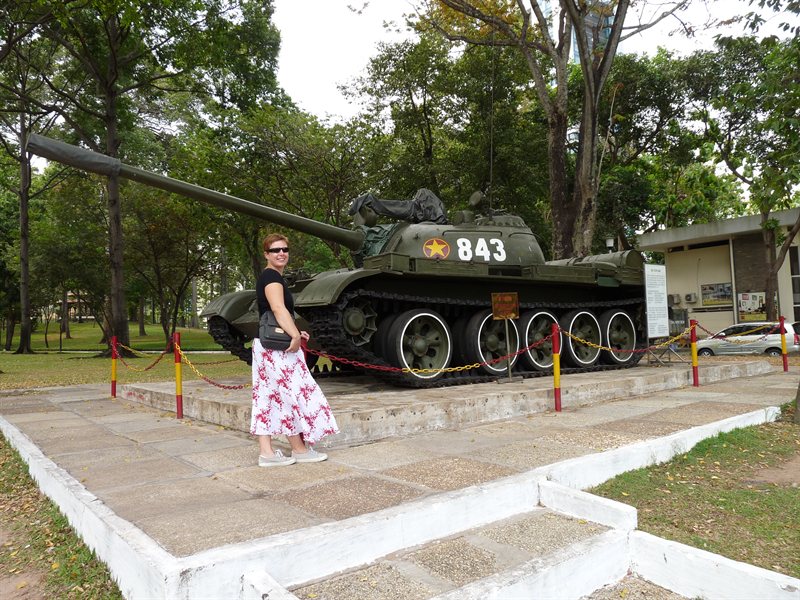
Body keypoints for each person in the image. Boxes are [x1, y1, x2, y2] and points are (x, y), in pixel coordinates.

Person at [250, 233, 339, 467]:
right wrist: (294, 335)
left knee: (267, 398)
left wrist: (297, 331)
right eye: (275, 250)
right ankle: (298, 449)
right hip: (277, 350)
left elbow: (277, 314)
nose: (281, 253)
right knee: (289, 396)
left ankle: (267, 454)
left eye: (285, 250)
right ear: (266, 254)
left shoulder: (271, 277)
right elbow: (278, 309)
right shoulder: (272, 278)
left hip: (266, 346)